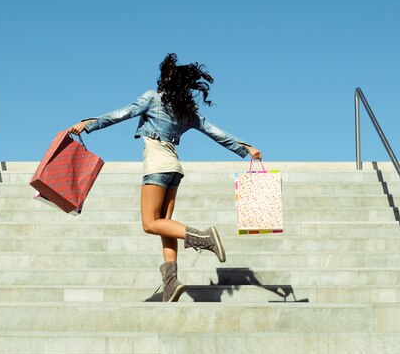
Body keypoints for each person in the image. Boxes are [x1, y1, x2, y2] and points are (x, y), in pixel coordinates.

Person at [67, 53, 261, 302]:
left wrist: (88, 124)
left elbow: (121, 114)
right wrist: (246, 148)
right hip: (174, 168)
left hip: (157, 164)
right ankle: (171, 283)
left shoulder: (152, 98)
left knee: (149, 223)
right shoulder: (187, 111)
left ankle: (203, 238)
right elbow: (216, 133)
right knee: (165, 226)